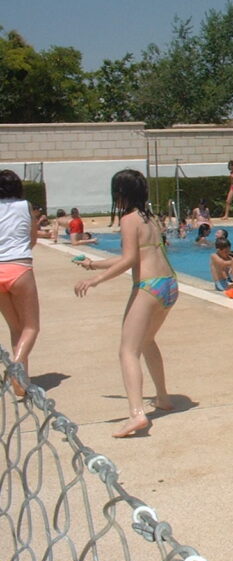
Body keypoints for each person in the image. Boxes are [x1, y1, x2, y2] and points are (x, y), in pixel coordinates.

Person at [73, 169, 177, 437]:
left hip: (148, 287)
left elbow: (129, 260)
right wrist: (93, 262)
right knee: (147, 340)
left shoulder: (129, 219)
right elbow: (135, 255)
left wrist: (96, 279)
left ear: (120, 194)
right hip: (168, 285)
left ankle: (136, 414)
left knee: (127, 351)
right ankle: (163, 397)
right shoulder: (150, 218)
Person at [0, 170, 42, 398]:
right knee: (31, 327)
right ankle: (16, 368)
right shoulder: (25, 206)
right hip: (19, 267)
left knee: (16, 328)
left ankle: (20, 382)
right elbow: (33, 238)